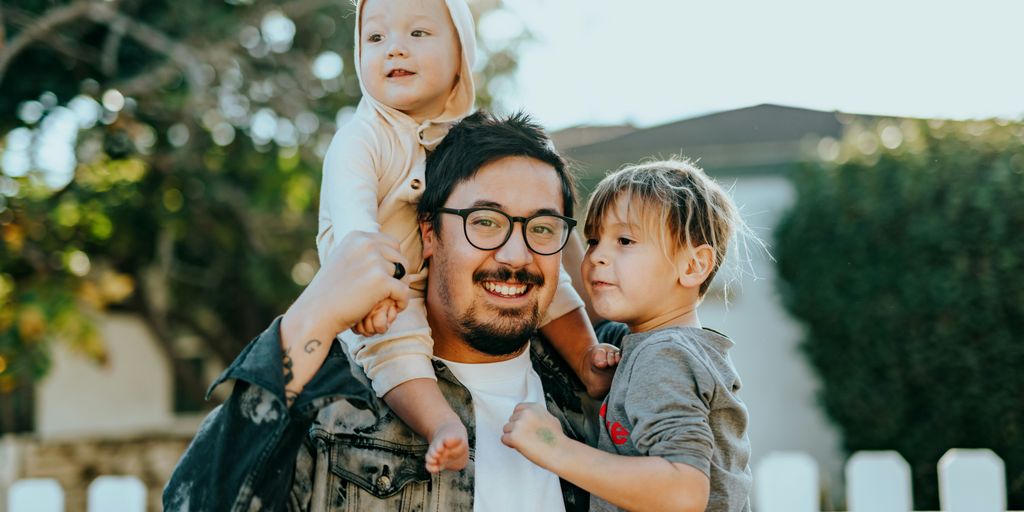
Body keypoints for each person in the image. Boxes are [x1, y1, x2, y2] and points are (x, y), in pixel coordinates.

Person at [163, 111, 618, 511]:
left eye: (541, 228)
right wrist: (315, 312)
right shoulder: (335, 407)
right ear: (430, 234)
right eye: (484, 222)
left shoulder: (616, 385)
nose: (516, 256)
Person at [317, 0, 613, 473]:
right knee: (396, 348)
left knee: (544, 273)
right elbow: (355, 231)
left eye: (417, 34)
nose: (394, 49)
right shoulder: (362, 138)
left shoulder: (470, 138)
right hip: (382, 290)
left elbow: (546, 230)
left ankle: (586, 359)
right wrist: (370, 292)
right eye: (375, 38)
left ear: (462, 54)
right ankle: (440, 424)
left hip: (429, 273)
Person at [502, 159, 754, 511]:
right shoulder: (655, 346)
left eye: (624, 240)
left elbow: (683, 492)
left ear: (693, 265)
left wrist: (554, 448)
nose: (597, 256)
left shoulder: (664, 356)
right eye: (593, 239)